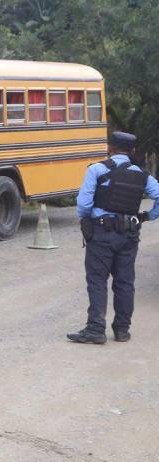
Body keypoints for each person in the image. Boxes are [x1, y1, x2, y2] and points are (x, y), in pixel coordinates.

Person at [68, 131, 159, 344]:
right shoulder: (142, 175)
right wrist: (147, 216)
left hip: (101, 233)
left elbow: (83, 205)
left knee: (97, 280)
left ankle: (96, 329)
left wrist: (87, 220)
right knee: (125, 282)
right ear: (133, 151)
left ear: (110, 148)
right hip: (129, 234)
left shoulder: (97, 169)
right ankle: (122, 330)